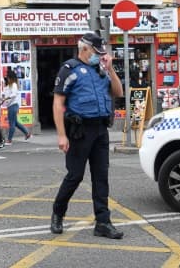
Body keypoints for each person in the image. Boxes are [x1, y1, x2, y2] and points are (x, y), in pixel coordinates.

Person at [50, 32, 125, 239]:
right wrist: (61, 135)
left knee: (101, 177)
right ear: (84, 49)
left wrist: (110, 69)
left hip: (100, 129)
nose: (99, 56)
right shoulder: (69, 69)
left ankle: (103, 222)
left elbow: (118, 92)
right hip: (80, 131)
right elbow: (58, 103)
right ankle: (58, 213)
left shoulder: (101, 69)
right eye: (95, 52)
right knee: (75, 176)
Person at [1, 70, 30, 145]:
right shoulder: (8, 85)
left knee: (12, 123)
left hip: (13, 105)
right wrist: (3, 97)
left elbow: (13, 94)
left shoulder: (13, 85)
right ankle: (27, 133)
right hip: (10, 106)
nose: (6, 78)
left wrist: (6, 98)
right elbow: (5, 94)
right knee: (15, 122)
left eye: (7, 77)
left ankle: (9, 140)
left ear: (10, 78)